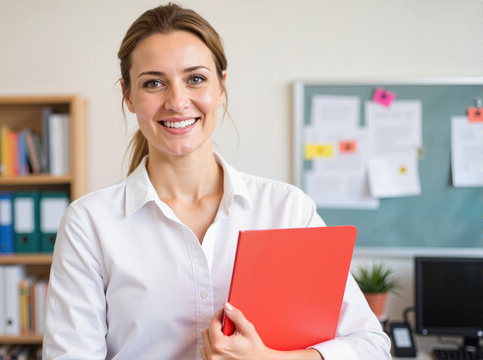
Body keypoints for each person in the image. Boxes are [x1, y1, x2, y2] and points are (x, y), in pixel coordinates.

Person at [43, 3, 391, 359]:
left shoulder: (287, 210)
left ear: (221, 86)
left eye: (195, 78)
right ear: (128, 95)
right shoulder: (90, 223)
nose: (177, 101)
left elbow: (370, 345)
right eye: (153, 83)